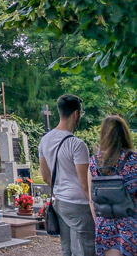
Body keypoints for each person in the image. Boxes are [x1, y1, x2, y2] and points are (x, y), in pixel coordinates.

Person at [39, 94, 95, 256]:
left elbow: (45, 176)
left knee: (67, 250)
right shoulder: (77, 145)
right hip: (80, 204)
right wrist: (95, 210)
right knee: (86, 249)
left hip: (60, 202)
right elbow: (85, 184)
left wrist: (59, 190)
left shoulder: (45, 140)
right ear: (76, 114)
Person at [89, 116, 137, 256]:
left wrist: (100, 223)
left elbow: (91, 199)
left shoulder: (94, 161)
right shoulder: (134, 159)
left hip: (104, 224)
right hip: (132, 223)